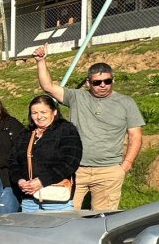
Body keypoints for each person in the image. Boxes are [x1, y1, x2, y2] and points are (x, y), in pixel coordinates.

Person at [33, 45, 144, 210]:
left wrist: (126, 165)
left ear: (113, 80)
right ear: (88, 82)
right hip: (75, 169)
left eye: (107, 81)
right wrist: (41, 61)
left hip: (109, 171)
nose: (103, 85)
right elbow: (48, 86)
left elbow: (136, 136)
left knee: (102, 219)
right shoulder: (77, 97)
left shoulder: (126, 103)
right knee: (65, 215)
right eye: (97, 82)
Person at [10, 95, 83, 212]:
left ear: (54, 112)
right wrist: (19, 180)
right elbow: (13, 161)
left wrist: (42, 181)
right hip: (29, 199)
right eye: (34, 113)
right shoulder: (25, 134)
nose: (39, 116)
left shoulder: (66, 130)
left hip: (56, 198)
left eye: (43, 112)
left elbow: (71, 161)